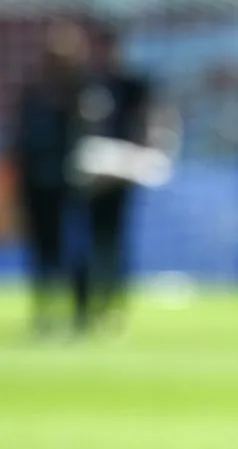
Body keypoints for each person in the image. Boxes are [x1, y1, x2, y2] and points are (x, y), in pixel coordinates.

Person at [69, 24, 156, 331]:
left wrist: (140, 158)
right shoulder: (84, 85)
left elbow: (150, 123)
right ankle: (83, 309)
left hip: (121, 174)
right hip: (88, 177)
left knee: (115, 242)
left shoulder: (133, 85)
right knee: (84, 242)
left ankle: (112, 305)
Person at [12, 20, 89, 335]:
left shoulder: (83, 95)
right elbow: (23, 140)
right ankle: (45, 311)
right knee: (43, 250)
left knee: (73, 247)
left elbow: (88, 139)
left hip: (70, 184)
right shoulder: (35, 93)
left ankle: (80, 313)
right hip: (37, 183)